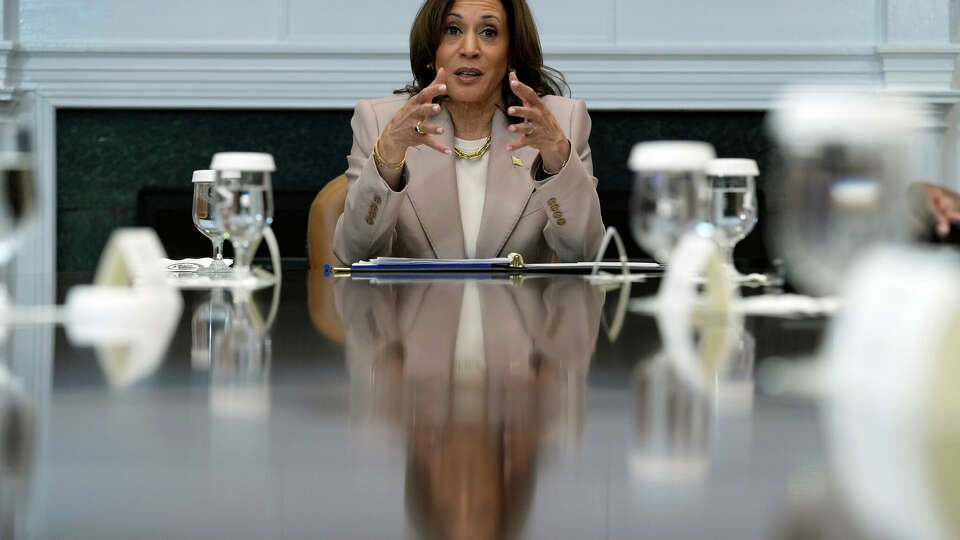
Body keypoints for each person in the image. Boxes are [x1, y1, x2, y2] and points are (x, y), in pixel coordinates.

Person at [333, 0, 605, 264]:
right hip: (417, 309)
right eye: (453, 30)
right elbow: (355, 254)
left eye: (489, 32)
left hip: (519, 309)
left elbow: (586, 254)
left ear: (511, 53)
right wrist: (388, 158)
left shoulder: (558, 121)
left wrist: (556, 157)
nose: (470, 49)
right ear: (431, 49)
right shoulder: (382, 121)